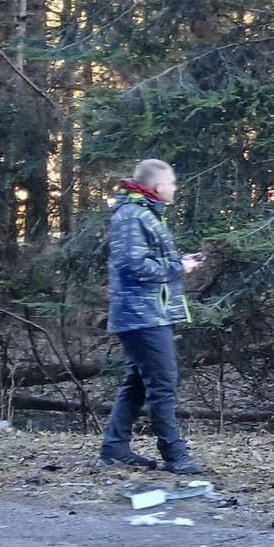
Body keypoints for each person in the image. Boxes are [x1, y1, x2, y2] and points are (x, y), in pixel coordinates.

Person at [99, 159, 206, 473]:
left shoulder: (143, 214)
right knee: (162, 383)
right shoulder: (133, 216)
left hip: (149, 313)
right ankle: (174, 454)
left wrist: (179, 260)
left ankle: (114, 448)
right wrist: (178, 267)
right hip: (141, 315)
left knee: (138, 382)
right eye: (172, 183)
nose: (175, 188)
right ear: (158, 187)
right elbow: (132, 265)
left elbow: (145, 259)